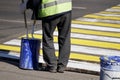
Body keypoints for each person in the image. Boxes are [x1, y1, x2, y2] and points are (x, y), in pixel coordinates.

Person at [20, 0, 72, 73]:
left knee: (48, 38)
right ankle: (62, 66)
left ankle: (52, 65)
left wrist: (27, 5)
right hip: (66, 9)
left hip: (50, 11)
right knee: (65, 38)